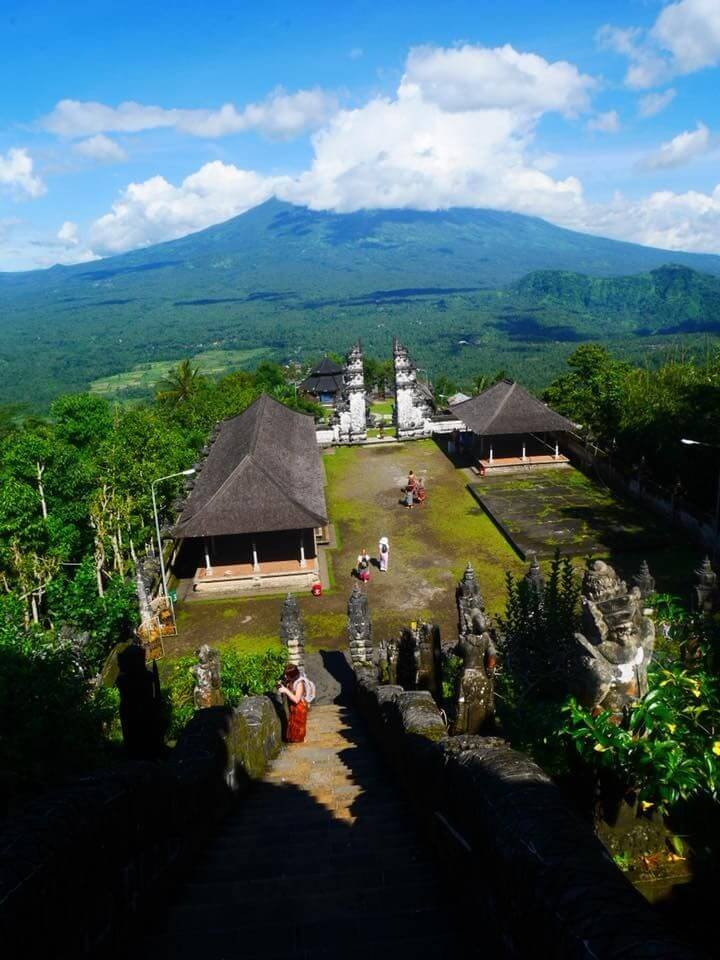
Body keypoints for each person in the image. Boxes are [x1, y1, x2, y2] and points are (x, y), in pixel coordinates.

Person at [278, 663, 315, 743]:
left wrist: (286, 690)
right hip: (293, 708)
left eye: (287, 675)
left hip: (300, 707)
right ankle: (296, 742)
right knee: (292, 727)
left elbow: (296, 700)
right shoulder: (290, 680)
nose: (285, 677)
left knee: (299, 730)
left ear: (292, 675)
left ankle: (302, 745)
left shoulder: (299, 683)